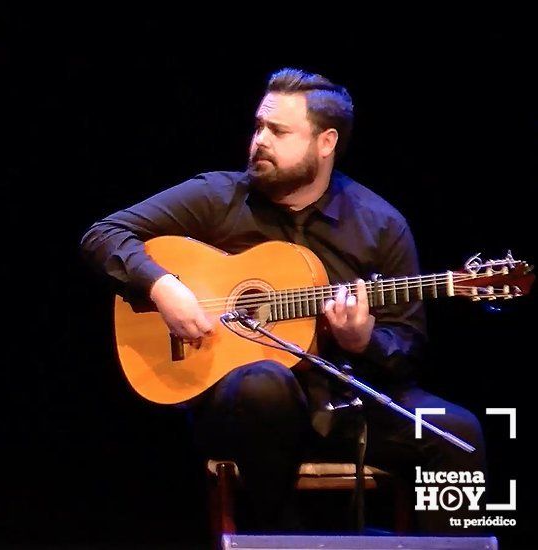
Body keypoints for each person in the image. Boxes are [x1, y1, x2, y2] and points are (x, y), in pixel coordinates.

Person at [80, 68, 485, 533]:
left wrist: (364, 340)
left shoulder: (380, 225)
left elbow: (408, 349)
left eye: (278, 131)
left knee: (458, 432)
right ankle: (287, 540)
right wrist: (161, 285)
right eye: (258, 127)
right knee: (265, 384)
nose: (259, 141)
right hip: (247, 410)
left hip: (347, 403)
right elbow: (103, 234)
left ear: (326, 142)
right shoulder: (218, 196)